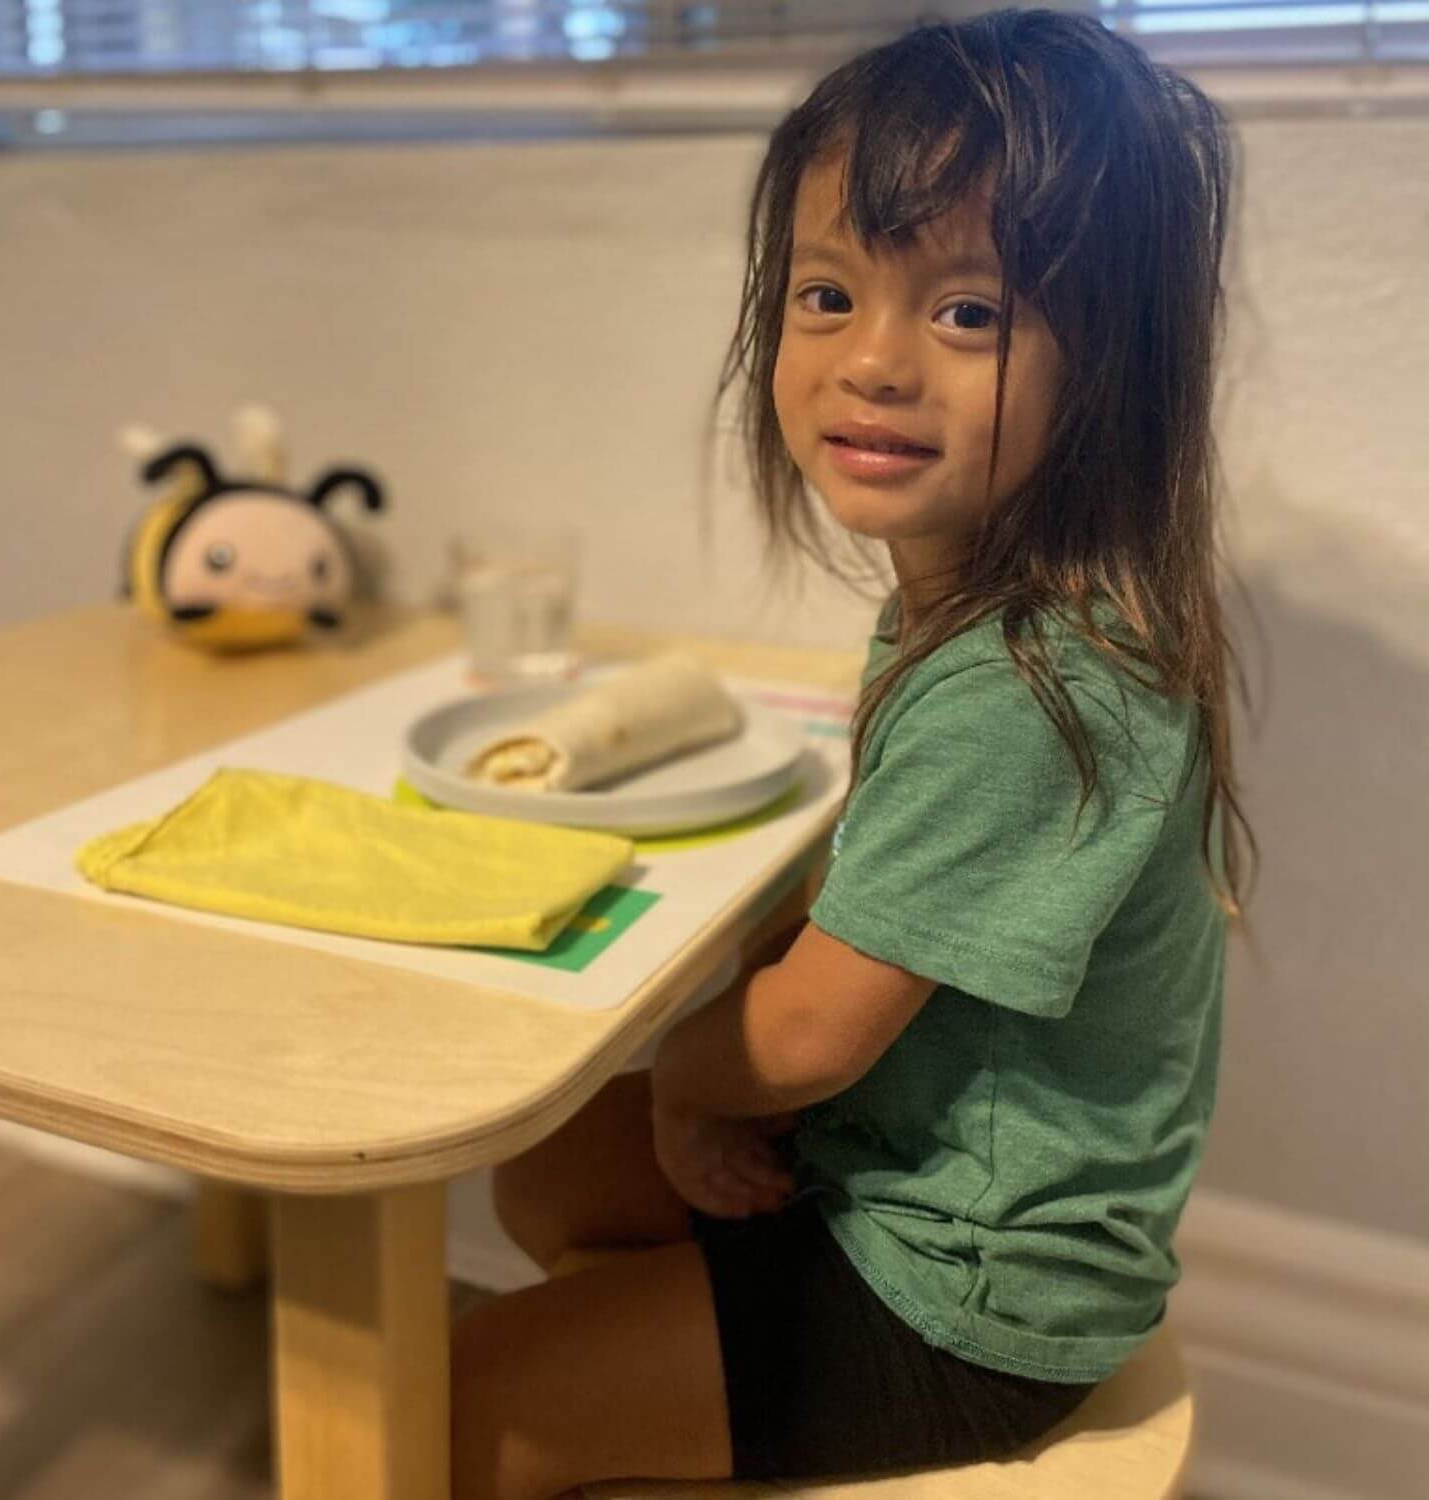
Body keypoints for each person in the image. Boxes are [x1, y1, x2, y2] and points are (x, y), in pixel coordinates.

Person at [451, 10, 1258, 1497]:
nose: (873, 361)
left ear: (1116, 368)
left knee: (461, 1399)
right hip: (888, 1186)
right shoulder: (969, 611)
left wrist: (677, 1073)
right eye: (827, 294)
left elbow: (813, 1037)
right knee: (553, 1167)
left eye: (968, 315)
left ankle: (667, 1402)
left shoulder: (1034, 683)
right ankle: (684, 1397)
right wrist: (687, 1082)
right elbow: (856, 885)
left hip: (968, 1299)